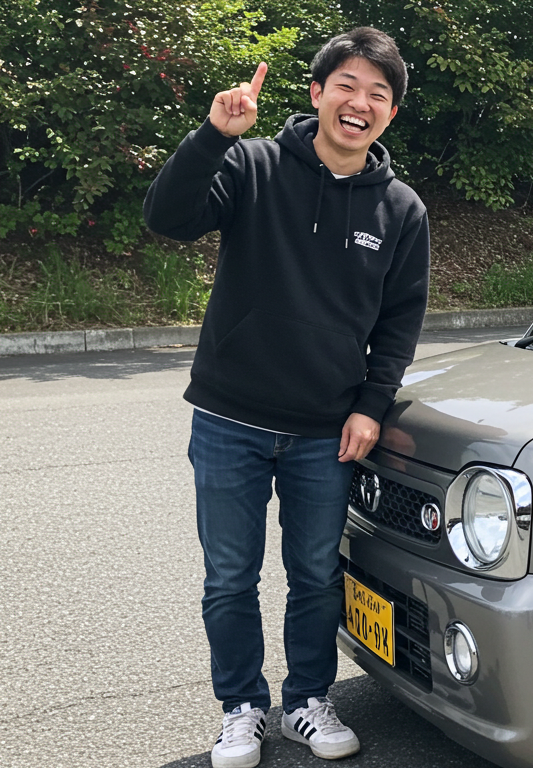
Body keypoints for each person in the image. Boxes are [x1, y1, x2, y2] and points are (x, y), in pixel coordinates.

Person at [143, 27, 429, 768]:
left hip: (324, 431)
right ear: (316, 93)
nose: (360, 103)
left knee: (315, 575)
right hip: (230, 419)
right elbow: (167, 218)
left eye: (378, 94)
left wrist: (371, 405)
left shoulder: (401, 210)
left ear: (390, 113)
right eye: (347, 87)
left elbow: (400, 325)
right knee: (230, 577)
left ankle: (307, 700)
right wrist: (211, 135)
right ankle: (241, 708)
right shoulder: (252, 164)